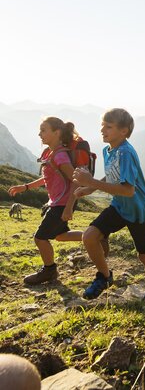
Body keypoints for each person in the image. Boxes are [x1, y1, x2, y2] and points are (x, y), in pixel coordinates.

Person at [72, 108, 145, 301]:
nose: (103, 130)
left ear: (124, 130)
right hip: (119, 207)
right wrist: (90, 189)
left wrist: (91, 182)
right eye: (102, 126)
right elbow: (113, 176)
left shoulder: (126, 153)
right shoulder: (108, 150)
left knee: (144, 255)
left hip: (139, 211)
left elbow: (129, 190)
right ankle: (104, 277)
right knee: (89, 237)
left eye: (109, 127)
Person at [8, 117, 84, 284]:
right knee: (60, 236)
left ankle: (49, 271)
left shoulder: (61, 156)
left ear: (57, 133)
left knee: (40, 237)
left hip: (63, 203)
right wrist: (26, 187)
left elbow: (76, 180)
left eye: (43, 130)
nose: (39, 134)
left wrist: (69, 207)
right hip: (56, 202)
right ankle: (95, 237)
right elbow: (47, 178)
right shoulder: (49, 153)